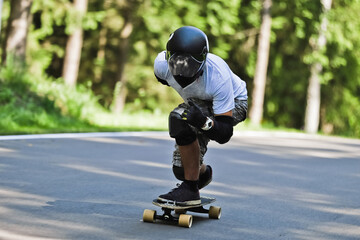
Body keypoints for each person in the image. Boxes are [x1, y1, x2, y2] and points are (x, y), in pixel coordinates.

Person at [154, 26, 248, 205]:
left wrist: (202, 122)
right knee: (181, 170)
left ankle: (190, 189)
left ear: (204, 61)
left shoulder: (218, 77)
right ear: (168, 57)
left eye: (190, 65)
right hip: (199, 101)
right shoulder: (161, 66)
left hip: (235, 102)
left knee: (179, 117)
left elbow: (225, 134)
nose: (182, 71)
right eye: (176, 63)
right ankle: (200, 175)